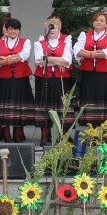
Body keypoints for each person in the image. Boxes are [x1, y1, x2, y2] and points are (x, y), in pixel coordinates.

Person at [0, 18, 37, 143]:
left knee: (19, 108)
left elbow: (24, 55)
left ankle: (17, 134)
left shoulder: (25, 41)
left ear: (19, 31)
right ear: (6, 29)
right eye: (10, 28)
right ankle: (6, 135)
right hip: (3, 80)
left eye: (15, 29)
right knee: (4, 108)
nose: (13, 31)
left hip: (20, 79)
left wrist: (4, 59)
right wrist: (13, 58)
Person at [73, 12, 107, 136]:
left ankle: (106, 135)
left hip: (105, 76)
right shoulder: (84, 35)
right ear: (93, 23)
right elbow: (77, 49)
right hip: (89, 75)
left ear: (106, 24)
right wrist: (92, 54)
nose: (98, 22)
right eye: (96, 20)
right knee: (90, 103)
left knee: (105, 103)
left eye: (102, 20)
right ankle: (92, 134)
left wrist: (87, 54)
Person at [33, 16, 74, 146]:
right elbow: (39, 62)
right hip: (44, 79)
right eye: (49, 27)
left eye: (54, 27)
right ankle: (45, 135)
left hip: (61, 79)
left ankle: (63, 134)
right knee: (44, 106)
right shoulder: (39, 44)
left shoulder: (66, 43)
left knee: (62, 106)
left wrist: (48, 60)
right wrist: (58, 61)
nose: (51, 30)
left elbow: (67, 61)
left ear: (59, 28)